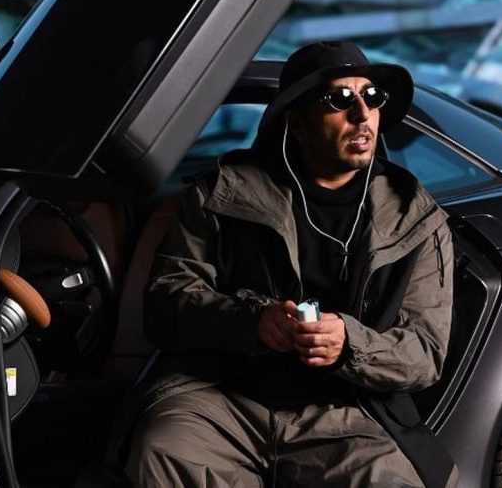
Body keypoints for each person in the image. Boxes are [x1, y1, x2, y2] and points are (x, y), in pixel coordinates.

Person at [120, 40, 457, 487]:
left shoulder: (415, 217)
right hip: (223, 396)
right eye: (340, 99)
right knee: (162, 450)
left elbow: (424, 355)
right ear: (296, 122)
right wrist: (252, 321)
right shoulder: (221, 193)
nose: (362, 114)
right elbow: (165, 303)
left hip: (348, 412)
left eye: (372, 97)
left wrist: (349, 345)